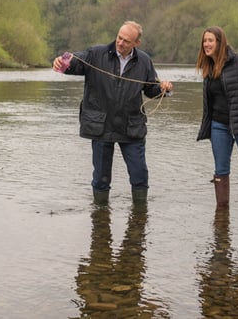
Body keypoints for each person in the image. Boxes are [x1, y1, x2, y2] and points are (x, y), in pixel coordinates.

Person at [52, 21, 173, 205]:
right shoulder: (96, 54)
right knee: (101, 178)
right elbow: (75, 62)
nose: (120, 43)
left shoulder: (144, 61)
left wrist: (164, 89)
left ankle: (139, 219)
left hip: (131, 126)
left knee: (139, 175)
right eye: (119, 37)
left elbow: (150, 89)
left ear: (136, 43)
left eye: (126, 41)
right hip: (101, 126)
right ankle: (100, 221)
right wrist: (63, 62)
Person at [195, 26, 238, 212]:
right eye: (204, 41)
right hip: (219, 125)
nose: (206, 44)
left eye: (210, 40)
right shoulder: (208, 67)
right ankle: (222, 215)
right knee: (220, 170)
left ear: (220, 42)